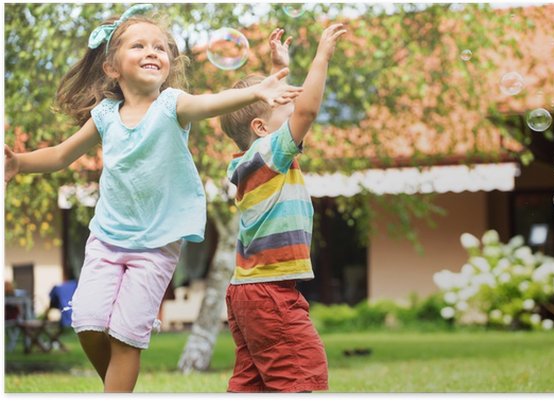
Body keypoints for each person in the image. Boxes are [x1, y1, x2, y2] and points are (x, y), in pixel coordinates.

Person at [4, 4, 301, 392]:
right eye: (139, 46)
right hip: (107, 237)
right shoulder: (106, 115)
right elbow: (61, 154)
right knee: (87, 324)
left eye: (160, 47)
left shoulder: (172, 104)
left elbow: (211, 103)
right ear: (112, 67)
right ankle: (118, 387)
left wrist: (258, 91)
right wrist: (18, 164)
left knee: (127, 336)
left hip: (157, 243)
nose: (152, 52)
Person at [219, 23, 347, 392]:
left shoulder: (252, 159)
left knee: (254, 382)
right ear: (261, 127)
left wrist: (281, 70)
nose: (294, 109)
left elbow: (291, 108)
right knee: (301, 372)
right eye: (285, 105)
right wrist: (321, 57)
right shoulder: (268, 153)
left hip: (248, 290)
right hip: (269, 291)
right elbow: (306, 113)